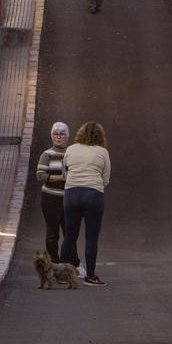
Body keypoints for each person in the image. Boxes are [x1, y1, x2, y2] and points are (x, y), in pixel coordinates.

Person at [60, 121, 110, 286]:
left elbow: (64, 172)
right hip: (93, 195)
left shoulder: (71, 149)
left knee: (70, 235)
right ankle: (90, 276)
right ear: (100, 136)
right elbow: (105, 178)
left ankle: (61, 274)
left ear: (80, 134)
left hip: (71, 194)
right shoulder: (102, 152)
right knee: (91, 238)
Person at [36, 122, 70, 264]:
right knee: (52, 233)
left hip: (69, 199)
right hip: (50, 198)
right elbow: (40, 176)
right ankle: (54, 264)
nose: (58, 137)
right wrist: (60, 177)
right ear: (51, 136)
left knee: (69, 233)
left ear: (67, 137)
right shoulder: (47, 155)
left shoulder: (71, 154)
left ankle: (68, 262)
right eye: (55, 134)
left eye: (62, 134)